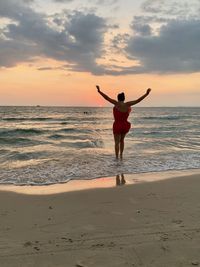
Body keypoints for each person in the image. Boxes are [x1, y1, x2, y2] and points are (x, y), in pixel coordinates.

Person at [96, 85, 151, 159]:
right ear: (124, 98)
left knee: (116, 142)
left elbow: (106, 98)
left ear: (118, 98)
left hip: (117, 125)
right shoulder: (128, 104)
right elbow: (138, 100)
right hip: (125, 125)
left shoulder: (116, 104)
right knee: (122, 140)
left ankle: (116, 157)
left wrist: (99, 91)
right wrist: (146, 94)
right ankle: (121, 155)